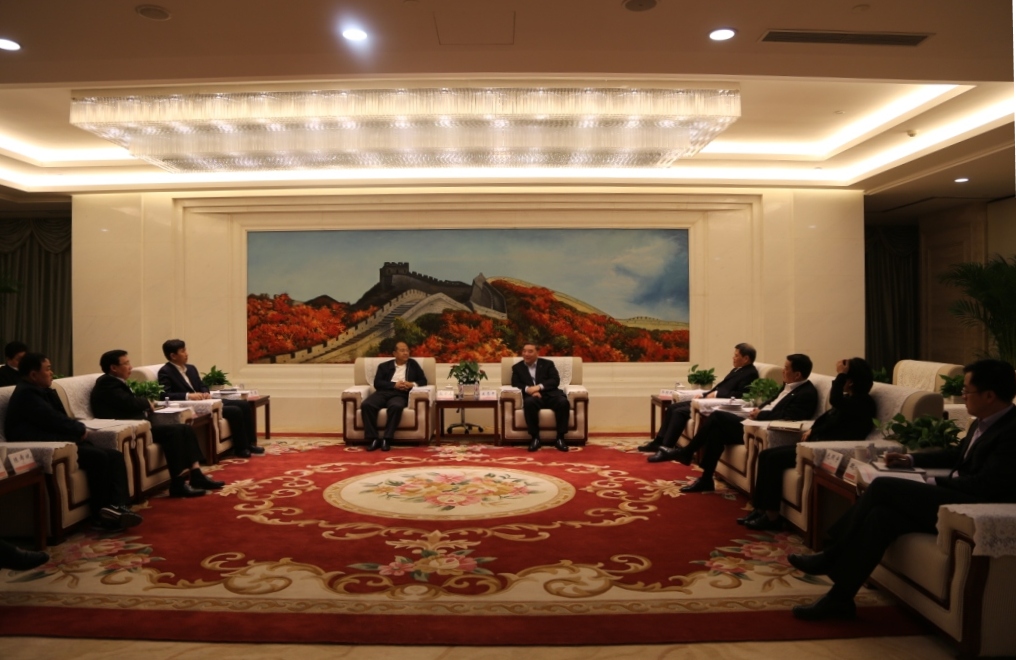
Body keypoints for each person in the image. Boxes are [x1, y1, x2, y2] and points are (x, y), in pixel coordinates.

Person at [788, 359, 1016, 621]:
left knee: (883, 485)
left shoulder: (1011, 431)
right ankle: (839, 599)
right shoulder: (981, 422)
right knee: (881, 517)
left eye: (967, 391)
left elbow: (987, 486)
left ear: (989, 395)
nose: (963, 396)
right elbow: (958, 456)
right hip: (956, 496)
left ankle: (831, 554)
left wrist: (931, 482)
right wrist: (911, 459)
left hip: (975, 507)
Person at [4, 352, 141, 530]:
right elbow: (53, 419)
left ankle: (119, 507)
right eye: (48, 369)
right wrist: (78, 430)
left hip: (61, 441)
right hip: (46, 445)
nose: (52, 372)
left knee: (114, 456)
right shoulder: (27, 395)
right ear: (33, 374)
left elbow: (60, 418)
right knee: (99, 457)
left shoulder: (40, 390)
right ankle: (100, 514)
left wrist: (76, 430)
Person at [741, 357, 876, 531]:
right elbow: (827, 419)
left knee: (773, 459)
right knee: (766, 455)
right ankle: (760, 509)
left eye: (843, 378)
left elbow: (835, 402)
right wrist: (813, 430)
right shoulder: (850, 398)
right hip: (815, 444)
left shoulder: (863, 403)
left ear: (850, 382)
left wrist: (841, 374)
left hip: (827, 450)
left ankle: (772, 517)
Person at [675, 354, 819, 493]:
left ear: (797, 375)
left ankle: (687, 452)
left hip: (763, 428)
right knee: (716, 431)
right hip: (754, 422)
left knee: (717, 416)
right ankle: (706, 479)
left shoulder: (806, 393)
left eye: (786, 368)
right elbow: (771, 404)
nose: (783, 370)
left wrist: (760, 415)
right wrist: (758, 409)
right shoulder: (788, 386)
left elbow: (789, 416)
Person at [91, 350, 224, 498]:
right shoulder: (107, 383)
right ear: (113, 368)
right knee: (174, 433)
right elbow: (128, 403)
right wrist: (146, 402)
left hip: (141, 426)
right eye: (126, 363)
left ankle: (196, 474)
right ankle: (178, 484)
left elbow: (128, 403)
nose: (130, 367)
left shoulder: (115, 382)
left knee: (185, 429)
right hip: (130, 428)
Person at [643, 343, 760, 462]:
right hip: (709, 400)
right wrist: (704, 394)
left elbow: (741, 394)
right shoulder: (737, 370)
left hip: (717, 404)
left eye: (736, 355)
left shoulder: (750, 373)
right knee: (672, 407)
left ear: (746, 358)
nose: (733, 358)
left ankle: (666, 448)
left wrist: (715, 394)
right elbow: (720, 387)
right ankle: (658, 441)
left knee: (679, 412)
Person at [157, 339, 263, 458]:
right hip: (192, 406)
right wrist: (188, 395)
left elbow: (202, 384)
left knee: (244, 404)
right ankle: (241, 448)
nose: (186, 354)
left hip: (207, 401)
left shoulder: (191, 368)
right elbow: (165, 395)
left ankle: (250, 443)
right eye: (182, 351)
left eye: (185, 350)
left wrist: (205, 392)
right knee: (235, 410)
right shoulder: (165, 372)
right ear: (173, 356)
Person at [360, 341, 427, 452]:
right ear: (394, 353)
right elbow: (377, 383)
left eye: (407, 350)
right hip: (384, 392)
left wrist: (412, 384)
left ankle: (387, 438)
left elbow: (423, 380)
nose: (406, 353)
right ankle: (373, 438)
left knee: (396, 406)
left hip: (401, 394)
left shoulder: (413, 364)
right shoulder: (384, 366)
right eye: (402, 350)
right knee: (367, 405)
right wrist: (394, 385)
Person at [511, 343, 570, 452]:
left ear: (537, 353)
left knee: (563, 402)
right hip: (533, 397)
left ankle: (560, 438)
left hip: (550, 395)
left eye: (530, 351)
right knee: (529, 403)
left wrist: (538, 387)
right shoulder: (517, 368)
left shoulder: (548, 364)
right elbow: (515, 383)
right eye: (524, 351)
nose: (526, 354)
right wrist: (529, 390)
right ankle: (535, 438)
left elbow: (555, 380)